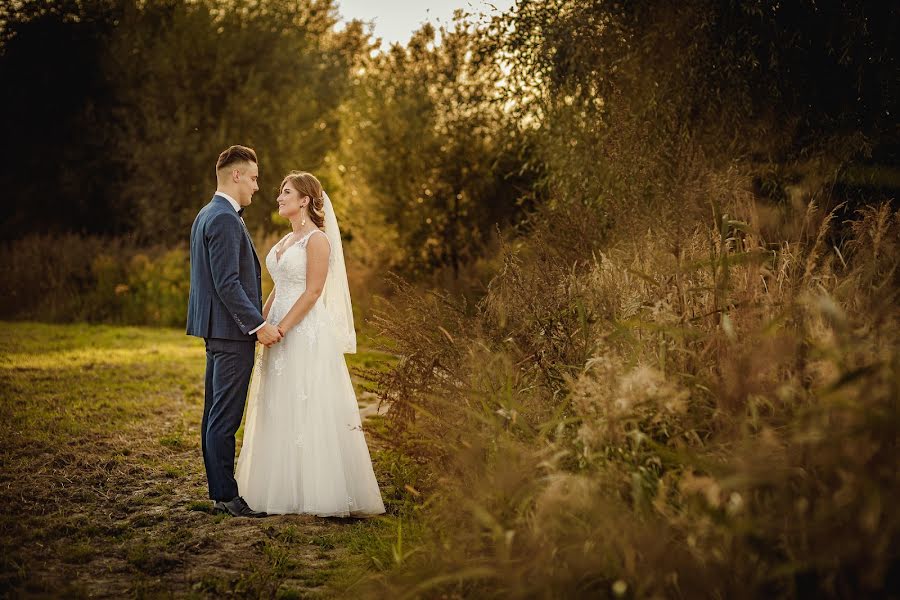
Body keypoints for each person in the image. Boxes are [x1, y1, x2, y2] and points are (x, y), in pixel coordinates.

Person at [235, 171, 386, 517]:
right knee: (278, 402)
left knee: (307, 402)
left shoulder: (317, 241)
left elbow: (314, 291)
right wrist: (260, 321)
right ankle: (280, 486)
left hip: (304, 332)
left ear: (304, 200)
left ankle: (318, 491)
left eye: (286, 192)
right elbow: (278, 286)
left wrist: (283, 328)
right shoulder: (287, 240)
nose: (279, 197)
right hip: (277, 330)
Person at [186, 145, 282, 518]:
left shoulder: (208, 213)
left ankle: (219, 493)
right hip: (230, 334)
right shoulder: (225, 218)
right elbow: (227, 283)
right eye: (255, 178)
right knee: (225, 417)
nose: (258, 187)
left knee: (214, 413)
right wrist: (258, 325)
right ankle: (226, 496)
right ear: (236, 175)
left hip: (217, 331)